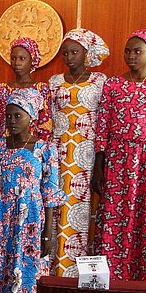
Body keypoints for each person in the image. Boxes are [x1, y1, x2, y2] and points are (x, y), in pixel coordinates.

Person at [92, 29, 146, 290]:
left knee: (145, 223)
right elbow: (103, 127)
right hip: (117, 164)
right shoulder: (113, 84)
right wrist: (99, 168)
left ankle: (144, 289)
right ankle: (111, 287)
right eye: (127, 51)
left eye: (137, 51)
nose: (131, 56)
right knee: (112, 224)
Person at [0, 88, 65, 293]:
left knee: (25, 275)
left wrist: (48, 234)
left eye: (17, 116)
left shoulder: (45, 149)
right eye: (8, 116)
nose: (12, 121)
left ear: (31, 116)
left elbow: (50, 195)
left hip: (29, 221)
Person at [48, 28, 110, 276]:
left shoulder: (100, 82)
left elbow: (104, 122)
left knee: (81, 215)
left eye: (75, 52)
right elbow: (48, 120)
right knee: (55, 211)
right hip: (58, 154)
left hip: (85, 157)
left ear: (87, 53)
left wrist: (98, 164)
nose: (69, 57)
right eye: (65, 53)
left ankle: (77, 274)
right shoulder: (53, 82)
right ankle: (54, 274)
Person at [0, 38, 53, 141]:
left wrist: (40, 150)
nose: (17, 63)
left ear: (32, 59)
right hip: (6, 147)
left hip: (32, 148)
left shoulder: (41, 89)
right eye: (13, 58)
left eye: (22, 58)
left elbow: (45, 125)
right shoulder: (2, 89)